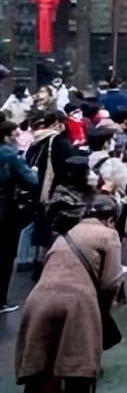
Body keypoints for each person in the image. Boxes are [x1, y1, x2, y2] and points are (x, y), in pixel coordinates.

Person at [15, 195, 125, 393]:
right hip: (78, 303)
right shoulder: (109, 235)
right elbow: (110, 283)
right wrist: (103, 312)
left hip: (38, 299)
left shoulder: (64, 235)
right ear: (110, 219)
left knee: (40, 368)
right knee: (77, 370)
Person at [1, 120, 38, 314]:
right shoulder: (10, 155)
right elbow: (31, 180)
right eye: (15, 135)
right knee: (5, 254)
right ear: (6, 136)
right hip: (5, 209)